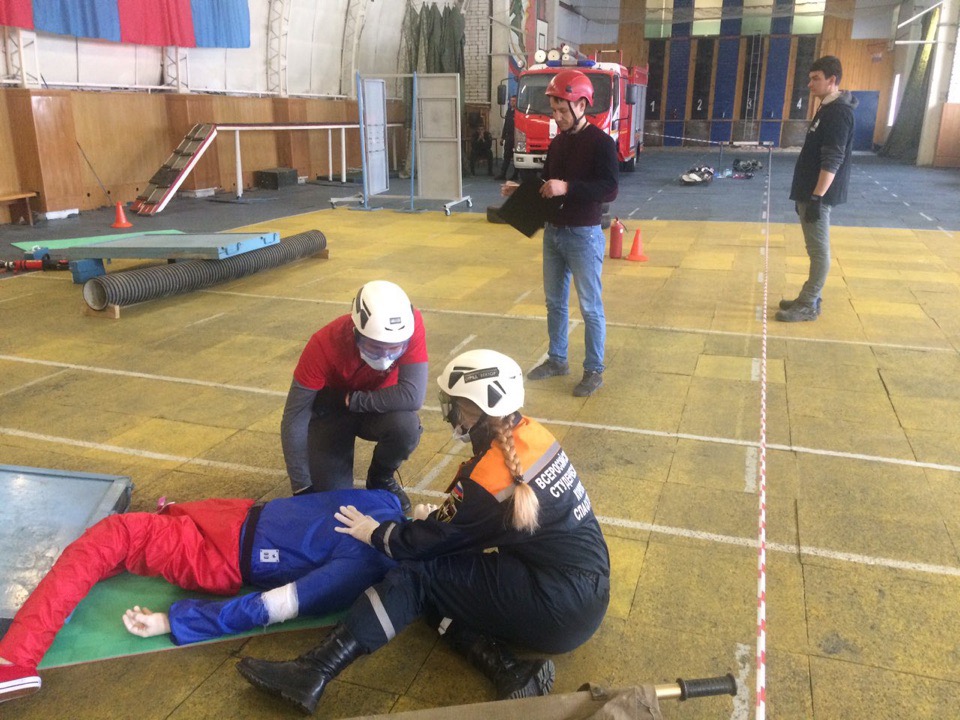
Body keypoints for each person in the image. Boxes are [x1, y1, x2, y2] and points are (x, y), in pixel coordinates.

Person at [236, 349, 611, 715]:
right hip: (583, 594)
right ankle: (509, 671)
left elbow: (419, 545)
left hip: (556, 605)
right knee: (445, 577)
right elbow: (486, 523)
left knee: (418, 575)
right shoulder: (532, 436)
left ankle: (314, 671)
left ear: (476, 409)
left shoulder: (487, 480)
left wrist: (376, 532)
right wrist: (442, 524)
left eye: (455, 403)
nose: (450, 412)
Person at [0, 489, 404, 704]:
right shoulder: (389, 507)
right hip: (224, 520)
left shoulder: (366, 559)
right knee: (110, 550)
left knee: (112, 537)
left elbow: (273, 606)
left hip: (214, 552)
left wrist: (176, 621)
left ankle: (16, 661)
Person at [502, 69, 618, 397]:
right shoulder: (558, 143)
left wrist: (567, 187)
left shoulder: (602, 143)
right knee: (554, 303)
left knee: (590, 306)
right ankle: (557, 360)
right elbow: (547, 181)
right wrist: (521, 189)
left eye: (562, 110)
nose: (557, 116)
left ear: (582, 104)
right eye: (554, 109)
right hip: (554, 233)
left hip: (583, 235)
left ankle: (594, 370)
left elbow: (609, 189)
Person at [281, 280, 428, 511]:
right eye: (375, 347)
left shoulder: (412, 324)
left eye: (394, 349)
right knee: (333, 503)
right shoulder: (322, 344)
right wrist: (301, 487)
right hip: (331, 412)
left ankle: (380, 477)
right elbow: (295, 417)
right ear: (356, 332)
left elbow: (412, 396)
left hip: (373, 409)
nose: (385, 357)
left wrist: (355, 400)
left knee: (406, 426)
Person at [777, 55, 857, 322]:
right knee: (815, 249)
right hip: (809, 193)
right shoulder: (827, 107)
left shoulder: (839, 113)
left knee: (818, 251)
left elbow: (832, 160)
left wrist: (815, 197)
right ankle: (808, 298)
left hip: (817, 196)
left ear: (832, 81)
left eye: (816, 79)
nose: (809, 84)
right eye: (810, 78)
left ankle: (809, 303)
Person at [496, 99, 520, 182]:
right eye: (511, 101)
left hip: (516, 137)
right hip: (509, 137)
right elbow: (505, 125)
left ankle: (515, 174)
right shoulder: (509, 111)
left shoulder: (519, 112)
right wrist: (502, 137)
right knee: (506, 156)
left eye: (514, 101)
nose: (512, 102)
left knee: (515, 156)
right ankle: (503, 174)